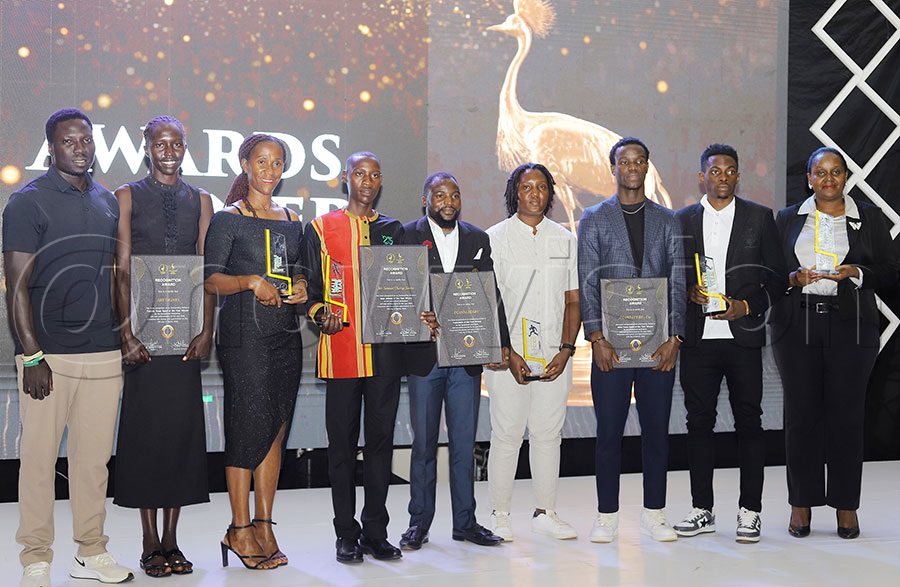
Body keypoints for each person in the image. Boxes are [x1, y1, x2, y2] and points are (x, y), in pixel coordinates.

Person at [3, 108, 134, 586]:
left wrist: (121, 337)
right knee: (38, 460)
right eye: (68, 142)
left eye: (86, 140)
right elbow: (15, 286)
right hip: (48, 355)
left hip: (102, 352)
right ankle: (35, 557)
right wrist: (32, 354)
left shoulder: (105, 201)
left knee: (93, 460)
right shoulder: (27, 202)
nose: (80, 148)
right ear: (51, 147)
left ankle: (90, 552)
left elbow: (114, 277)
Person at [771, 147, 898, 539]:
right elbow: (770, 273)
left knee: (847, 417)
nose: (828, 180)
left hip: (852, 326)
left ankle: (846, 506)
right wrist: (793, 278)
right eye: (820, 173)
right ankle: (801, 504)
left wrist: (856, 271)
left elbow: (891, 269)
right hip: (797, 326)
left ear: (847, 177)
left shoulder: (869, 218)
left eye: (836, 172)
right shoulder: (787, 219)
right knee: (801, 417)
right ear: (808, 178)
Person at [111, 115, 214, 576]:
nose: (168, 151)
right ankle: (149, 541)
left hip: (186, 337)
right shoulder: (127, 196)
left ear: (185, 147)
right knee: (146, 436)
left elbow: (208, 268)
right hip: (144, 340)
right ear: (148, 147)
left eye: (176, 144)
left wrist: (207, 330)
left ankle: (173, 540)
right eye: (160, 144)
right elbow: (121, 267)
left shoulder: (202, 200)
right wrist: (126, 333)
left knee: (180, 438)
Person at [673, 144, 787, 543]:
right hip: (699, 340)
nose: (722, 177)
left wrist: (745, 306)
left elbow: (777, 278)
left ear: (738, 176)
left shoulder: (759, 217)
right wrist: (688, 292)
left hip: (743, 339)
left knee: (749, 425)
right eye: (714, 170)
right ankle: (702, 509)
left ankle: (750, 511)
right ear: (702, 176)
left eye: (730, 171)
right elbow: (674, 276)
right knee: (698, 425)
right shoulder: (682, 219)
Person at [204, 133, 307, 570]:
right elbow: (210, 279)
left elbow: (297, 272)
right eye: (262, 162)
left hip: (285, 335)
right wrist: (248, 282)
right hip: (245, 340)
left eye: (277, 163)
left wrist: (301, 287)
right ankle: (239, 528)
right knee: (247, 429)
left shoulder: (292, 218)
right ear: (246, 164)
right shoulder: (229, 219)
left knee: (275, 431)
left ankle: (264, 524)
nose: (270, 171)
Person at [577, 137, 685, 543]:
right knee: (608, 434)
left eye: (640, 160)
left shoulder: (668, 220)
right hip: (611, 348)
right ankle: (606, 515)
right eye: (625, 161)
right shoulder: (594, 217)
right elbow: (587, 279)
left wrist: (676, 337)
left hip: (659, 345)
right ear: (613, 168)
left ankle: (654, 514)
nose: (632, 167)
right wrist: (597, 336)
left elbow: (678, 280)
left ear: (647, 166)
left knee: (657, 432)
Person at [301, 151, 406, 564]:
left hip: (384, 356)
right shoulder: (321, 228)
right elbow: (307, 284)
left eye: (374, 174)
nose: (366, 180)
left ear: (380, 182)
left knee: (380, 445)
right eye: (359, 173)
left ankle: (375, 533)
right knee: (341, 449)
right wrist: (318, 312)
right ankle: (346, 533)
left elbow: (405, 284)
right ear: (346, 178)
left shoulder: (393, 230)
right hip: (341, 354)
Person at [398, 172, 510, 551]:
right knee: (424, 445)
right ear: (425, 198)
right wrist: (418, 314)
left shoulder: (478, 239)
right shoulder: (406, 235)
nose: (448, 201)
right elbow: (394, 292)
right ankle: (419, 524)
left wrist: (500, 345)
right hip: (424, 358)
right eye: (440, 194)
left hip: (466, 357)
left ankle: (465, 522)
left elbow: (491, 294)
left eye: (455, 195)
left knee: (465, 443)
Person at [484, 163, 581, 541]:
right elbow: (488, 303)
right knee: (506, 434)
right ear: (515, 192)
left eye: (542, 187)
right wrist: (507, 353)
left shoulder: (564, 239)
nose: (535, 194)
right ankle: (501, 514)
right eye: (527, 187)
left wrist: (567, 350)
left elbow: (572, 302)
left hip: (554, 357)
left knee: (547, 435)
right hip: (510, 359)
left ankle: (545, 511)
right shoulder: (493, 238)